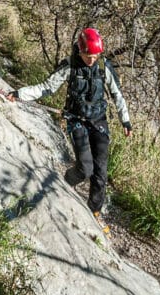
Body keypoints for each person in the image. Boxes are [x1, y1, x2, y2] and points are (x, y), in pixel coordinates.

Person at [8, 27, 132, 225]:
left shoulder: (104, 67)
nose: (91, 60)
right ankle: (65, 183)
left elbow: (117, 95)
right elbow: (46, 87)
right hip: (76, 120)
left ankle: (94, 212)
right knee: (85, 168)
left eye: (95, 56)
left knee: (101, 171)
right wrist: (19, 93)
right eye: (88, 55)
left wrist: (125, 120)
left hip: (99, 121)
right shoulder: (70, 66)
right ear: (80, 51)